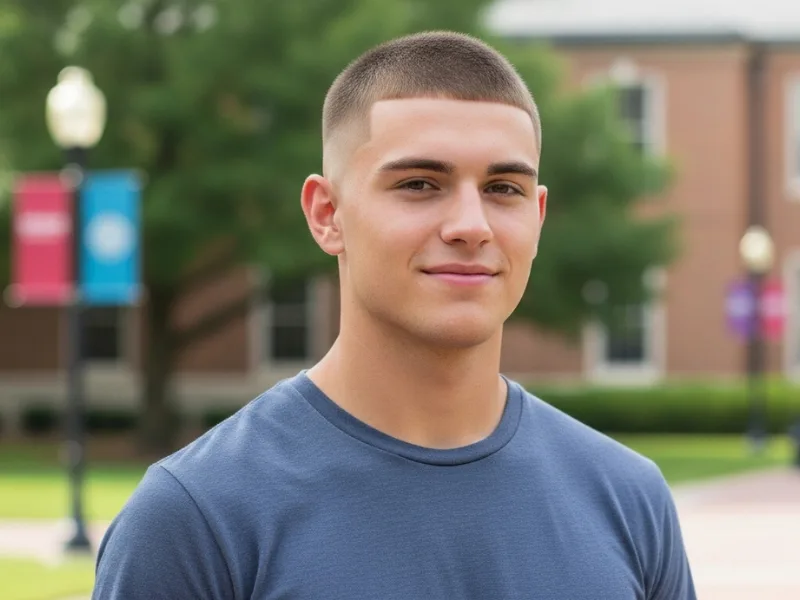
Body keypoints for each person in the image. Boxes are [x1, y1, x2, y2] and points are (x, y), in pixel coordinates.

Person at [93, 30, 696, 599]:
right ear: (328, 213)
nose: (470, 225)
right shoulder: (197, 517)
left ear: (538, 216)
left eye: (503, 189)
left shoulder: (628, 499)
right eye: (418, 184)